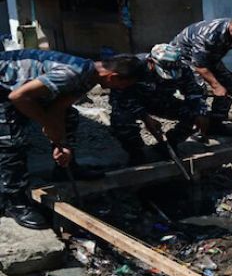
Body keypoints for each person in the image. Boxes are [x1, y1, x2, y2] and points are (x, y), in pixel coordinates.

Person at [0, 49, 142, 229]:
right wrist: (47, 124)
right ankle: (14, 203)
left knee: (71, 117)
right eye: (124, 85)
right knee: (11, 140)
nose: (121, 90)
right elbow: (18, 97)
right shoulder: (72, 74)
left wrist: (60, 145)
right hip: (6, 88)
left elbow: (58, 109)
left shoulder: (90, 77)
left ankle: (65, 168)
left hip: (20, 90)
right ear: (113, 77)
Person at [109, 43, 206, 165]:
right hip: (131, 102)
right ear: (151, 61)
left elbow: (194, 92)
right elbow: (119, 97)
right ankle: (136, 154)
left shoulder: (182, 67)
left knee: (193, 113)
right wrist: (145, 117)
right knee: (121, 121)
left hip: (160, 100)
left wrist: (200, 112)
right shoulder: (132, 67)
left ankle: (169, 145)